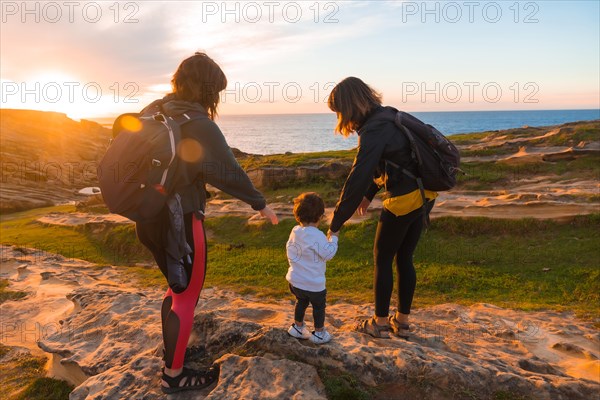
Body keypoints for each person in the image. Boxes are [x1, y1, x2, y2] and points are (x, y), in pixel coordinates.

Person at [135, 53, 279, 394]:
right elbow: (228, 171)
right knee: (187, 294)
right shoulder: (199, 124)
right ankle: (175, 375)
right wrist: (261, 205)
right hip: (181, 220)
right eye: (217, 92)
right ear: (208, 89)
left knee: (175, 287)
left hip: (148, 217)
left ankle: (174, 355)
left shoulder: (155, 110)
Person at [326, 77, 435, 340]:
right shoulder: (388, 116)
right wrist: (369, 195)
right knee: (404, 257)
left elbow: (358, 176)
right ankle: (404, 322)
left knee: (382, 258)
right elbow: (392, 162)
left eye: (339, 111)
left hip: (403, 201)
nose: (340, 117)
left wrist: (337, 221)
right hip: (425, 195)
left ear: (348, 107)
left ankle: (380, 323)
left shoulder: (373, 131)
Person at [286, 192, 338, 344]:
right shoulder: (317, 235)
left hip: (296, 282)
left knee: (301, 302)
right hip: (314, 285)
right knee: (318, 307)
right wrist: (333, 237)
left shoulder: (295, 231)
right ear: (320, 216)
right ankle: (320, 333)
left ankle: (297, 326)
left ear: (297, 215)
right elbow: (328, 254)